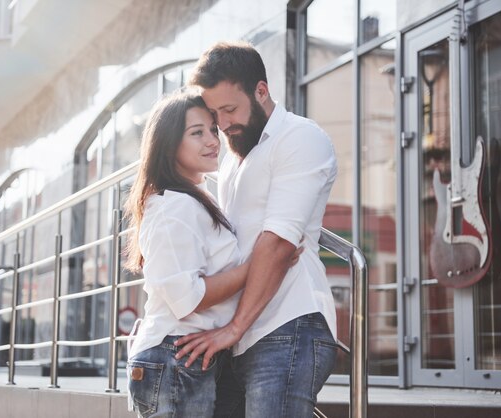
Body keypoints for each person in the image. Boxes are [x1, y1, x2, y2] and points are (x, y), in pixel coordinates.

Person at [175, 41, 339, 417]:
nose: (223, 123)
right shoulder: (232, 157)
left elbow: (279, 244)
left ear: (261, 91)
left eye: (230, 109)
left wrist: (233, 329)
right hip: (238, 335)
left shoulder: (300, 138)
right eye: (214, 114)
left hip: (288, 325)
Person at [123, 91, 300, 418]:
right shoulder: (172, 207)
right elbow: (187, 298)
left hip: (188, 355)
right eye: (196, 133)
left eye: (212, 130)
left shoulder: (197, 199)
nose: (212, 141)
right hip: (174, 355)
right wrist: (258, 267)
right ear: (168, 144)